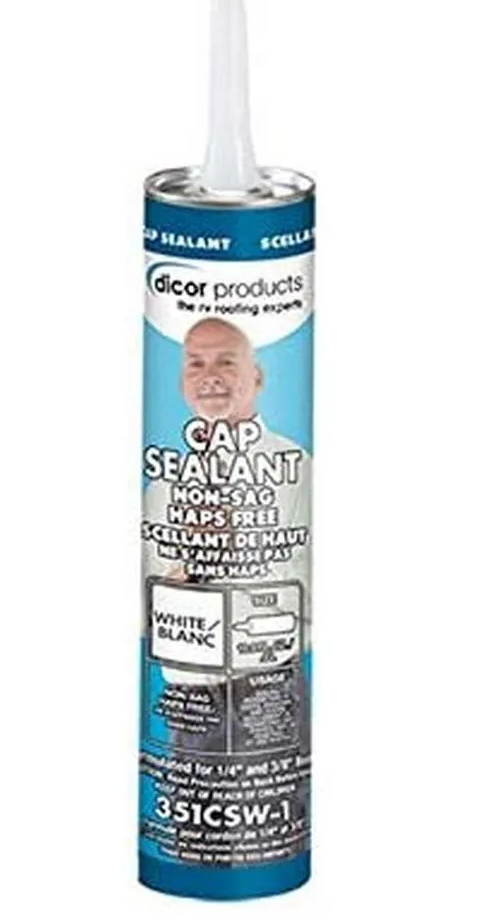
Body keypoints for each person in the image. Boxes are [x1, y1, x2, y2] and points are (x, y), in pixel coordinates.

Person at [142, 318, 311, 755]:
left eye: (226, 362)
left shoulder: (293, 466)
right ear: (182, 382)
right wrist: (192, 569)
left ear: (257, 376)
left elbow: (306, 592)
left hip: (264, 688)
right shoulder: (165, 485)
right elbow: (147, 606)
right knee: (188, 800)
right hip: (187, 702)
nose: (210, 376)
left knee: (274, 796)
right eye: (195, 364)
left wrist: (226, 550)